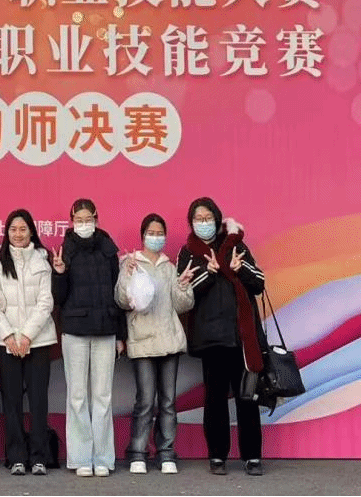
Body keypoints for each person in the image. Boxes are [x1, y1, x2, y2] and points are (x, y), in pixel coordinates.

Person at [175, 197, 267, 477]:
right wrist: (209, 272)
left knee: (247, 398)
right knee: (214, 400)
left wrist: (240, 269)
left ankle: (252, 456)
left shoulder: (236, 244)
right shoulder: (188, 252)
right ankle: (217, 455)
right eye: (197, 219)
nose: (203, 223)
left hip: (242, 337)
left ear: (217, 218)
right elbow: (183, 295)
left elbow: (259, 282)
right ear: (191, 223)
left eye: (207, 218)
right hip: (211, 338)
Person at [114, 213, 196, 475]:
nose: (156, 237)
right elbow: (122, 301)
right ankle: (138, 452)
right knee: (146, 401)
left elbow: (182, 306)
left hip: (169, 340)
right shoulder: (130, 262)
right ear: (143, 236)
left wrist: (183, 286)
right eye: (152, 233)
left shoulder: (169, 268)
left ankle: (166, 452)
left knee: (168, 402)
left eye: (160, 233)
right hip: (142, 342)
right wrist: (127, 276)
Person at [51, 198, 125, 478]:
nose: (83, 224)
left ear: (96, 218)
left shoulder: (108, 248)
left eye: (88, 219)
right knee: (77, 396)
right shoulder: (65, 250)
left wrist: (121, 335)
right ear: (72, 221)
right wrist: (59, 273)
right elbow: (58, 298)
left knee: (103, 397)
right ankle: (81, 457)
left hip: (106, 329)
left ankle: (103, 458)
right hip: (75, 331)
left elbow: (119, 294)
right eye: (78, 220)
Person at [0, 208, 57, 477]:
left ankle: (39, 457)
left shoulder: (43, 261)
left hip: (37, 341)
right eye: (13, 229)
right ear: (7, 233)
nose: (18, 234)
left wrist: (26, 336)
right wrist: (9, 336)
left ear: (31, 232)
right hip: (8, 343)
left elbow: (46, 302)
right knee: (12, 402)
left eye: (23, 229)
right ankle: (16, 456)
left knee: (39, 402)